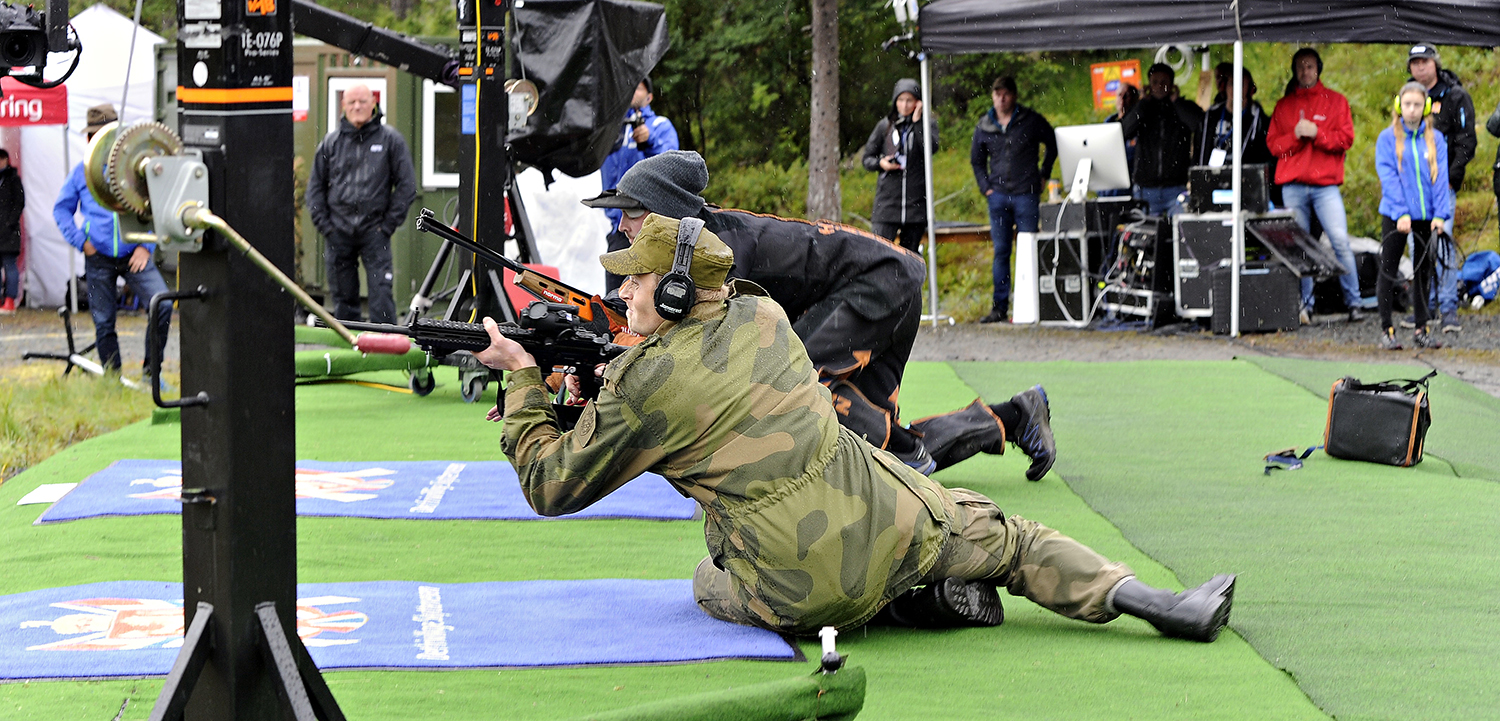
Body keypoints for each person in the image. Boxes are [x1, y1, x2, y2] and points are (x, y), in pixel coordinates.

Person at [473, 212, 1237, 641]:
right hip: (884, 510)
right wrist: (606, 379)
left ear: (673, 290)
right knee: (1012, 535)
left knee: (707, 576)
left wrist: (524, 387)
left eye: (635, 277)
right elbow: (690, 380)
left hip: (798, 588)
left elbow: (551, 481)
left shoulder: (646, 383)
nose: (623, 288)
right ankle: (1157, 602)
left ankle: (907, 605)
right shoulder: (763, 314)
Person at [582, 151, 1057, 481]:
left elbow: (708, 350)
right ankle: (1015, 417)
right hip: (890, 280)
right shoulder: (694, 243)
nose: (622, 225)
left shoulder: (718, 251)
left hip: (883, 281)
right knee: (868, 445)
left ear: (667, 213)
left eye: (633, 212)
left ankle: (908, 456)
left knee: (793, 381)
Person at [52, 104, 170, 379]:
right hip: (98, 257)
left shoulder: (136, 168)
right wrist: (82, 242)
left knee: (161, 305)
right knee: (104, 322)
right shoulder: (81, 174)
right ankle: (113, 380)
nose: (98, 140)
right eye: (93, 135)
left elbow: (157, 205)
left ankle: (152, 374)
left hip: (135, 256)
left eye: (105, 134)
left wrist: (145, 246)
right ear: (88, 139)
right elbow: (61, 209)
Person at [305, 83, 417, 324]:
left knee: (382, 298)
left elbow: (407, 186)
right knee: (343, 299)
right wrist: (326, 227)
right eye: (352, 102)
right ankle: (350, 352)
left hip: (375, 232)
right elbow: (314, 189)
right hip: (338, 232)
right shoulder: (330, 142)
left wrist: (386, 226)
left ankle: (385, 351)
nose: (357, 106)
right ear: (343, 106)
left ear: (373, 104)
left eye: (363, 101)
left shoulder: (391, 140)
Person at [1266, 48, 1363, 325]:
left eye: (1309, 66)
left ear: (1318, 69)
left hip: (1325, 186)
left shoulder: (1336, 101)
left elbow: (1345, 140)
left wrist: (1317, 134)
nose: (1304, 71)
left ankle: (1354, 303)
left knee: (1339, 241)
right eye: (1300, 67)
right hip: (1293, 186)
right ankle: (1303, 306)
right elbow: (1274, 146)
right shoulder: (1284, 106)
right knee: (1299, 247)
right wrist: (1296, 136)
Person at [970, 76, 1056, 324]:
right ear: (992, 96)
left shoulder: (1030, 120)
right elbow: (976, 160)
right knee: (1002, 251)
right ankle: (1000, 307)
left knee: (1029, 249)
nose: (1001, 98)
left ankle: (1032, 304)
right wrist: (985, 187)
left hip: (1026, 192)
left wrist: (1044, 174)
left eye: (1005, 94)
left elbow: (1052, 143)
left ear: (1014, 95)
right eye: (997, 94)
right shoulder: (984, 125)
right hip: (998, 195)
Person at [1374, 83, 1451, 351]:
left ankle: (1421, 328)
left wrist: (1440, 214)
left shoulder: (1436, 139)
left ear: (1426, 107)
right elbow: (1389, 177)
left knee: (1423, 272)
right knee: (1389, 268)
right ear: (1399, 106)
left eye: (1418, 104)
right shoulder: (1387, 139)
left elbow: (1440, 179)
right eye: (1407, 104)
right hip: (1396, 216)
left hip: (1426, 217)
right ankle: (1387, 329)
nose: (1412, 109)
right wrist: (1401, 212)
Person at [1406, 44, 1475, 334]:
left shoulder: (1456, 96)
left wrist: (1451, 176)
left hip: (1441, 184)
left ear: (1435, 63)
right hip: (1414, 190)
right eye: (1415, 63)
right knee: (1417, 247)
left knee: (1443, 245)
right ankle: (1425, 306)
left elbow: (1466, 141)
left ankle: (1448, 309)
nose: (1420, 67)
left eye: (1425, 62)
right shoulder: (1407, 99)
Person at [599, 77, 679, 292]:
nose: (632, 91)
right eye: (628, 86)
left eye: (639, 88)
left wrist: (648, 142)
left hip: (651, 227)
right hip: (620, 227)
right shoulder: (612, 128)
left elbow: (669, 165)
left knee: (648, 294)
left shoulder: (660, 125)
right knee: (615, 296)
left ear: (650, 96)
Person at [862, 78, 937, 253]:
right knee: (879, 254)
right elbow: (867, 158)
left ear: (918, 102)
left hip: (915, 207)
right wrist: (881, 163)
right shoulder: (884, 126)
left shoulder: (928, 125)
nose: (904, 105)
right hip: (887, 207)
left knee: (909, 259)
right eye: (901, 100)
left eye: (909, 100)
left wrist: (918, 122)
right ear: (895, 102)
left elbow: (930, 148)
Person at [1120, 63, 1204, 217]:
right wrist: (1143, 102)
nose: (1159, 86)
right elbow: (1124, 131)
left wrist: (1176, 101)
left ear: (1172, 85)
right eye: (1155, 82)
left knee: (1182, 233)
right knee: (1147, 235)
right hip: (1146, 188)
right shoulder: (1142, 109)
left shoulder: (1182, 107)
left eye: (1164, 82)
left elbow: (1200, 126)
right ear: (1148, 85)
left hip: (1176, 188)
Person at [1198, 68, 1272, 168]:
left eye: (1240, 85)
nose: (1235, 89)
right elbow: (1202, 148)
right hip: (1213, 175)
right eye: (1232, 83)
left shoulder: (1255, 116)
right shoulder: (1213, 114)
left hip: (1243, 178)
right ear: (1225, 86)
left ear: (1250, 90)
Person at [1099, 83, 1140, 198]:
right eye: (1119, 95)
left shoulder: (1139, 124)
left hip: (1132, 186)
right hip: (1109, 186)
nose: (1122, 99)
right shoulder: (1108, 123)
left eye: (1126, 95)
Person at [0, 148, 22, 314]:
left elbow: (20, 202)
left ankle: (10, 300)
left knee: (10, 266)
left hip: (10, 233)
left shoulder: (14, 180)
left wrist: (9, 223)